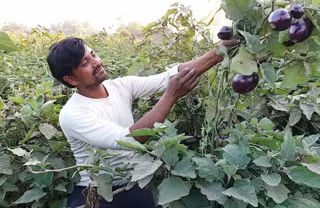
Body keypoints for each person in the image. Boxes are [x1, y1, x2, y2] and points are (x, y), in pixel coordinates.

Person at [46, 37, 238, 208]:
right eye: (85, 63)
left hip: (134, 182)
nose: (96, 62)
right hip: (100, 193)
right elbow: (130, 140)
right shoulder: (73, 113)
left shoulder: (121, 86)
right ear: (71, 79)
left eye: (93, 54)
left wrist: (218, 52)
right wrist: (171, 95)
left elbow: (169, 77)